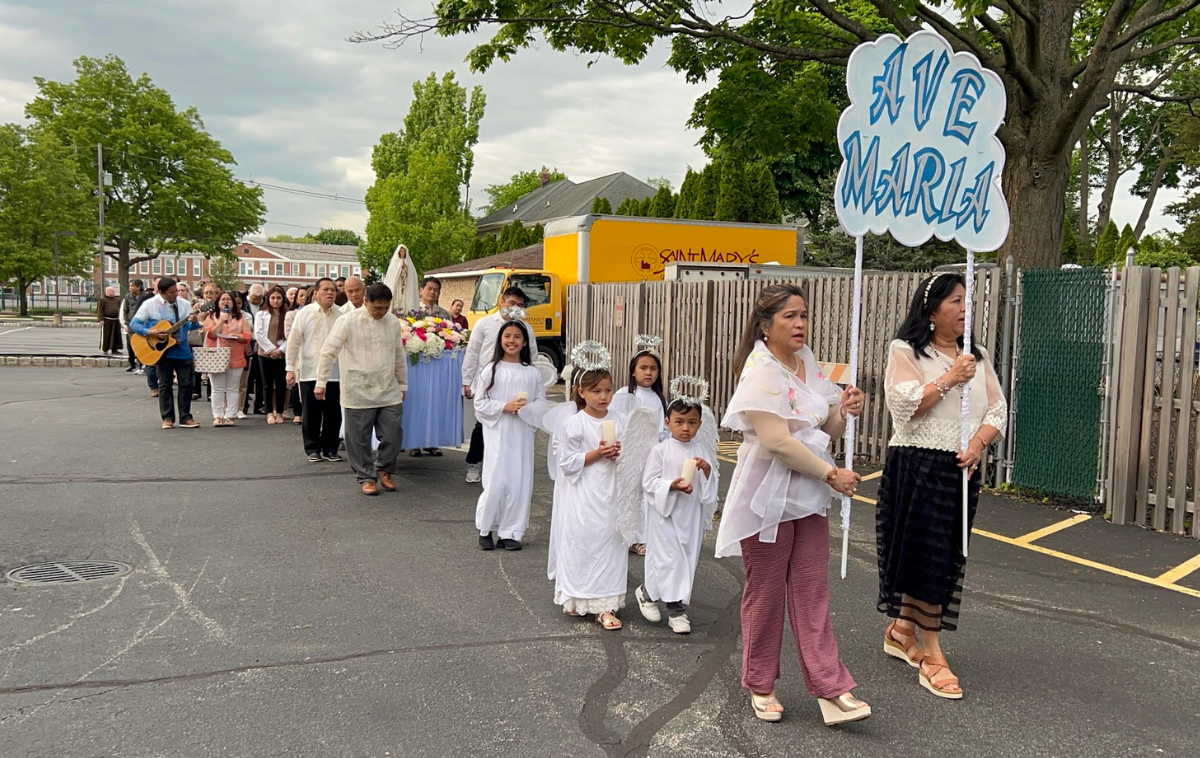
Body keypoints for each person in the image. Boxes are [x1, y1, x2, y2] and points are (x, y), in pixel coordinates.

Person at [715, 283, 870, 727]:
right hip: (767, 498)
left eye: (803, 315)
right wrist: (831, 474)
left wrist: (846, 409)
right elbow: (777, 441)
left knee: (811, 590)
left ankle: (830, 686)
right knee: (765, 594)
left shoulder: (806, 362)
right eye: (790, 317)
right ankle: (760, 682)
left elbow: (828, 426)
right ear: (766, 325)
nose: (800, 324)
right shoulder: (759, 370)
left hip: (806, 496)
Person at [876, 273, 1007, 700]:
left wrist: (976, 444)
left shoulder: (977, 354)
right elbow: (904, 405)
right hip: (918, 464)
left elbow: (997, 409)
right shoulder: (905, 350)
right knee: (923, 555)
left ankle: (902, 630)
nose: (964, 307)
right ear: (932, 311)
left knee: (945, 554)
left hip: (960, 468)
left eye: (967, 300)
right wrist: (951, 376)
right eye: (955, 299)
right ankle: (931, 651)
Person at [548, 358, 628, 630]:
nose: (603, 396)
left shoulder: (620, 419)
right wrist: (597, 453)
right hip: (584, 492)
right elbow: (567, 462)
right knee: (583, 541)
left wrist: (620, 455)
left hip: (612, 490)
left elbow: (634, 454)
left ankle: (605, 605)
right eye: (596, 391)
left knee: (609, 542)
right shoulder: (576, 423)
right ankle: (578, 597)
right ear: (581, 392)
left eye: (608, 390)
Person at [635, 391, 719, 635]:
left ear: (700, 425)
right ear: (667, 422)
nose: (686, 428)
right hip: (665, 515)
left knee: (685, 560)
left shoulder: (700, 449)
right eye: (680, 422)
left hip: (689, 515)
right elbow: (649, 482)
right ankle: (648, 593)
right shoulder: (661, 450)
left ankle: (677, 609)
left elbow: (709, 486)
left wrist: (706, 471)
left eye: (692, 423)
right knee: (665, 558)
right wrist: (671, 485)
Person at [315, 283, 407, 496]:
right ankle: (366, 476)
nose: (382, 312)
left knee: (393, 433)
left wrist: (402, 383)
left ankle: (385, 468)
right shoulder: (347, 320)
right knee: (358, 438)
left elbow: (398, 355)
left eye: (386, 308)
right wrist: (321, 382)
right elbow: (329, 352)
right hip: (358, 389)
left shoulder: (392, 322)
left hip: (388, 388)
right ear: (366, 301)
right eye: (377, 308)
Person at [472, 321, 547, 550]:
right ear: (500, 340)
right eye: (507, 336)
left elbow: (540, 402)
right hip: (499, 430)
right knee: (497, 478)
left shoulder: (531, 372)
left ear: (525, 342)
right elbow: (480, 403)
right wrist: (505, 406)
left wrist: (527, 410)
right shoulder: (491, 370)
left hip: (521, 432)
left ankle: (511, 532)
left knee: (519, 480)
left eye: (517, 337)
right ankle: (486, 528)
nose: (512, 341)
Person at [460, 287, 539, 480]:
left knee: (512, 425)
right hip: (488, 380)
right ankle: (474, 463)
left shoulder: (526, 328)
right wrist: (467, 380)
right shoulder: (485, 324)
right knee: (482, 425)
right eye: (512, 303)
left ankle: (508, 467)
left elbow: (533, 355)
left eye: (520, 306)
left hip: (516, 382)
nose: (515, 308)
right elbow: (472, 352)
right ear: (502, 302)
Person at [613, 335, 668, 556]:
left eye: (653, 369)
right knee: (627, 492)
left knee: (647, 495)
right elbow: (616, 421)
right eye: (643, 368)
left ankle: (642, 537)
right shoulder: (625, 394)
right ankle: (624, 533)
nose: (648, 373)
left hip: (652, 453)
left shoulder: (659, 398)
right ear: (633, 371)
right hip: (630, 452)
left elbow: (663, 427)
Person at [130, 277, 203, 429]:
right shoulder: (150, 305)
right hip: (161, 351)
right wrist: (150, 332)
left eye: (176, 290)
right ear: (162, 293)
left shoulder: (183, 304)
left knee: (186, 384)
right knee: (165, 384)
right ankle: (167, 418)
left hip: (181, 348)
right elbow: (134, 324)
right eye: (171, 292)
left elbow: (190, 326)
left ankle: (186, 417)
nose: (176, 294)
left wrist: (194, 321)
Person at [286, 278, 344, 463]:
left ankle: (330, 448)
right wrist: (290, 368)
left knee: (333, 413)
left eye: (333, 290)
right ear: (316, 293)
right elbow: (293, 343)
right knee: (311, 413)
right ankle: (312, 448)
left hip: (335, 373)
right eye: (326, 289)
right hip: (310, 370)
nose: (330, 293)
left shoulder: (341, 315)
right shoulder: (304, 314)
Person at [202, 291, 252, 426]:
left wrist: (238, 336)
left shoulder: (240, 317)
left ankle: (230, 415)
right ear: (218, 303)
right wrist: (222, 322)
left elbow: (247, 336)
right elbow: (210, 333)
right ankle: (218, 416)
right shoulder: (212, 316)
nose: (226, 302)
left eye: (228, 300)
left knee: (233, 388)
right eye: (223, 299)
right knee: (217, 388)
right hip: (216, 356)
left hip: (235, 356)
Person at [256, 286, 290, 425]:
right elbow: (258, 334)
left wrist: (280, 350)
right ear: (268, 299)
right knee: (267, 384)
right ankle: (270, 412)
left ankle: (280, 412)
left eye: (279, 298)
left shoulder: (288, 314)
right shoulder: (261, 314)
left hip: (282, 354)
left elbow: (291, 335)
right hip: (265, 354)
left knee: (281, 384)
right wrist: (271, 350)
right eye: (273, 298)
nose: (276, 301)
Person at [284, 286, 309, 426]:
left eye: (306, 295)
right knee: (296, 383)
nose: (303, 298)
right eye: (301, 296)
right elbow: (289, 335)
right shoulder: (292, 314)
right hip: (297, 350)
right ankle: (298, 413)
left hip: (310, 352)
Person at [243, 284, 267, 416]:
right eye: (254, 297)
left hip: (262, 343)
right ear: (249, 293)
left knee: (260, 377)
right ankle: (244, 404)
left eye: (259, 298)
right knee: (247, 377)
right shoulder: (243, 304)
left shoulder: (265, 305)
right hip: (249, 342)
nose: (257, 300)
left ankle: (259, 404)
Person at [121, 280, 146, 373]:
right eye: (130, 286)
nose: (130, 288)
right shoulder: (128, 296)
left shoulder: (145, 296)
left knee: (141, 345)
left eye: (132, 286)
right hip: (131, 325)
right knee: (131, 345)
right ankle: (132, 364)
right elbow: (125, 311)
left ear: (139, 287)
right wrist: (127, 323)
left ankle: (142, 365)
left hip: (142, 325)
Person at [97, 286, 124, 355]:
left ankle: (115, 349)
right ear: (108, 291)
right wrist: (100, 319)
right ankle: (104, 349)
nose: (114, 292)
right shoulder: (102, 300)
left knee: (116, 335)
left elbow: (121, 309)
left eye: (114, 291)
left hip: (116, 320)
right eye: (112, 291)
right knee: (106, 335)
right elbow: (100, 310)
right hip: (107, 320)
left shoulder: (117, 300)